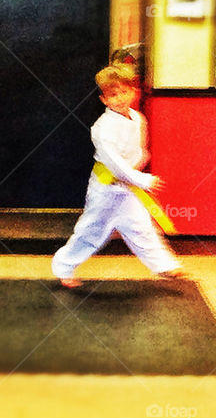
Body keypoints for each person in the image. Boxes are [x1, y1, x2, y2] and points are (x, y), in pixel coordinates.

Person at [51, 63, 183, 288]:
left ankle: (163, 265)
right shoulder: (102, 128)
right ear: (104, 99)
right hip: (106, 188)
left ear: (134, 92)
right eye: (113, 95)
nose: (120, 98)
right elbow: (115, 164)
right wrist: (141, 179)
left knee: (141, 226)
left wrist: (138, 172)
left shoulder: (138, 119)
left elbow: (140, 151)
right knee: (91, 231)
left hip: (128, 187)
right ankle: (64, 266)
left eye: (124, 92)